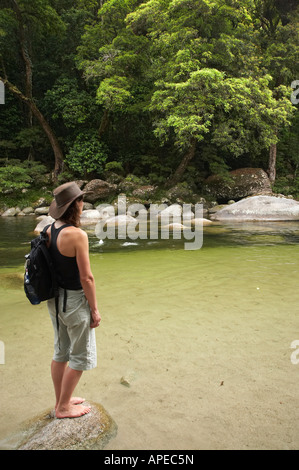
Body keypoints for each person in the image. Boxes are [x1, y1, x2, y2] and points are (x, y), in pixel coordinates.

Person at [46, 181, 101, 419]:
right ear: (74, 205)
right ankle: (64, 408)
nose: (83, 203)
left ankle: (61, 400)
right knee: (80, 356)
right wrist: (95, 310)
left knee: (61, 353)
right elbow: (86, 278)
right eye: (81, 200)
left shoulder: (50, 230)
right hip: (75, 302)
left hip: (55, 301)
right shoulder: (77, 235)